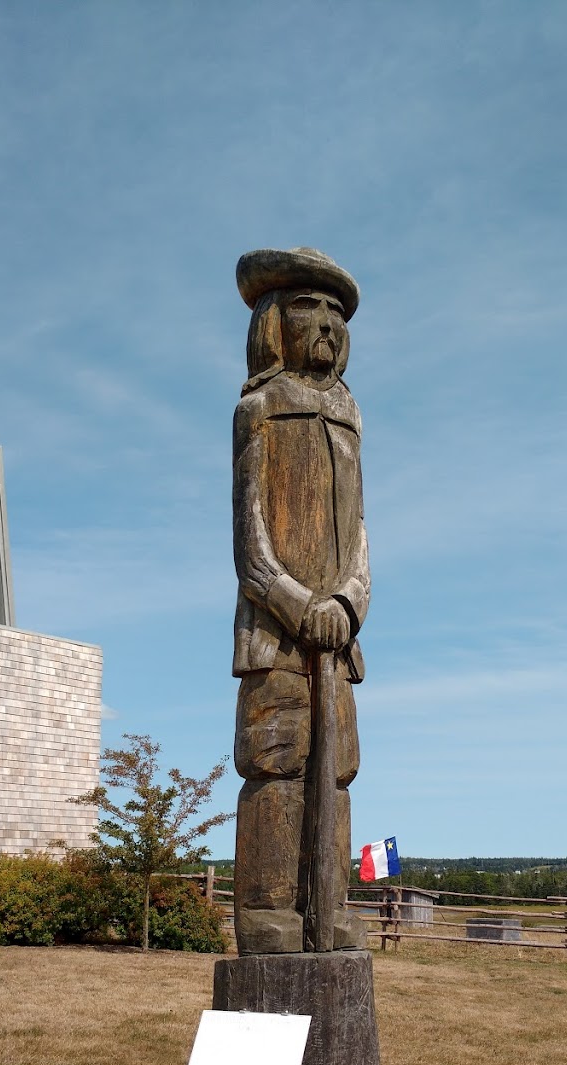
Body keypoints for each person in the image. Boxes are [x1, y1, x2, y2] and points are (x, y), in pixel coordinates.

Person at [231, 247, 370, 954]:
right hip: (276, 636)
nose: (324, 322)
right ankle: (268, 910)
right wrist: (293, 602)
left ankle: (329, 903)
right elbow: (250, 542)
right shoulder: (257, 409)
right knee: (277, 764)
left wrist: (346, 602)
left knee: (336, 769)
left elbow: (360, 536)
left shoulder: (349, 416)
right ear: (272, 321)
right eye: (307, 306)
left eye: (335, 311)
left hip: (337, 641)